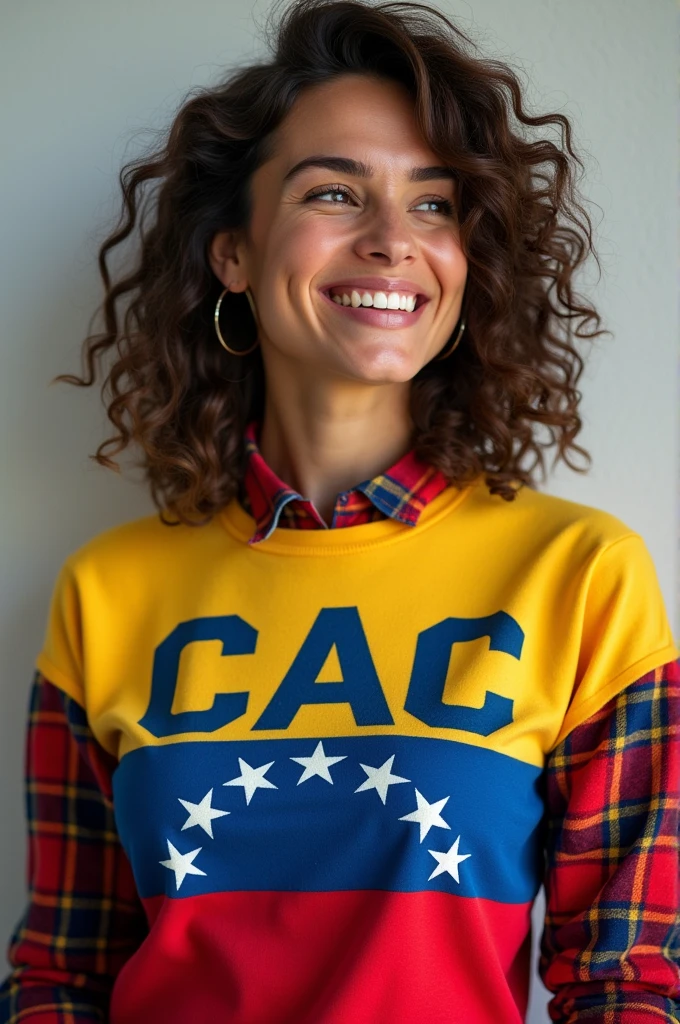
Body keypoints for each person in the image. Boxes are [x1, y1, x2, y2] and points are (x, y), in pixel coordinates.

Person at [1, 0, 678, 1021]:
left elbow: (622, 983)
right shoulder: (107, 589)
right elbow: (61, 975)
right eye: (333, 192)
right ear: (231, 251)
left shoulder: (578, 575)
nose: (391, 241)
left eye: (434, 205)